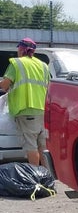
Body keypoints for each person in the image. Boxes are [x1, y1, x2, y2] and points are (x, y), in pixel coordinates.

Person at [0, 37, 51, 166]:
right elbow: (50, 86)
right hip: (43, 110)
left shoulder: (16, 64)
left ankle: (35, 174)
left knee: (31, 146)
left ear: (22, 49)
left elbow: (4, 85)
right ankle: (47, 174)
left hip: (26, 110)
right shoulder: (43, 66)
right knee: (43, 147)